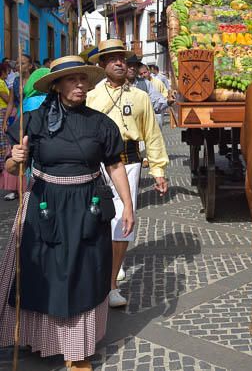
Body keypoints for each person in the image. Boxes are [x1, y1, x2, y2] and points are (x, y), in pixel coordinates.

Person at [0, 55, 133, 371]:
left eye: (83, 79)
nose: (80, 85)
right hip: (44, 203)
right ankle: (36, 338)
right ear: (57, 85)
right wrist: (16, 158)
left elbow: (114, 165)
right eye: (72, 79)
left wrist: (128, 205)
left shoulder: (101, 123)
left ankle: (77, 351)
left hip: (87, 206)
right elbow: (12, 168)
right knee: (39, 273)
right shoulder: (34, 121)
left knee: (82, 275)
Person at [87, 40, 169, 307]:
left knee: (124, 222)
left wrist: (158, 170)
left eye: (122, 58)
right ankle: (96, 275)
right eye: (112, 58)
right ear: (102, 64)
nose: (120, 62)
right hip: (96, 166)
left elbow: (152, 135)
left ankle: (111, 286)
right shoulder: (90, 96)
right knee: (95, 221)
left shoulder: (140, 97)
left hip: (130, 162)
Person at [2, 54, 36, 200]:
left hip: (33, 115)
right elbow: (10, 102)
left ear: (30, 65)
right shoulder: (15, 82)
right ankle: (15, 188)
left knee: (29, 149)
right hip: (18, 117)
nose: (19, 66)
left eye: (23, 63)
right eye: (18, 63)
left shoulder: (35, 80)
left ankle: (28, 186)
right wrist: (5, 121)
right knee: (15, 151)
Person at [0, 63, 10, 177]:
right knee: (3, 139)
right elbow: (7, 99)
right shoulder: (1, 83)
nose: (8, 73)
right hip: (2, 112)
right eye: (6, 71)